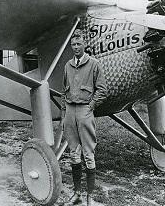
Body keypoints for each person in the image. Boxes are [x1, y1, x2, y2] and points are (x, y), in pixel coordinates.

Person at [60, 28, 107, 206]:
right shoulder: (67, 65)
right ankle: (77, 193)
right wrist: (64, 112)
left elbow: (102, 90)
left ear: (85, 44)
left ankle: (89, 197)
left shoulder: (94, 64)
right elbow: (63, 91)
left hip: (85, 111)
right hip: (70, 112)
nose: (76, 47)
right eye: (73, 44)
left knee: (88, 154)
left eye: (79, 43)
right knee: (73, 153)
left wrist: (91, 106)